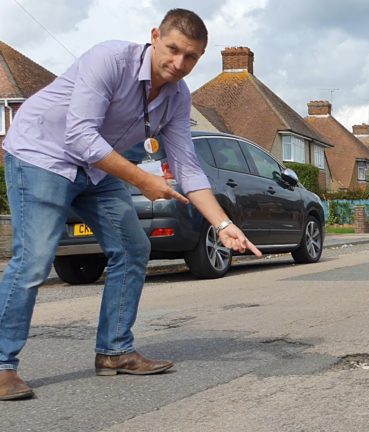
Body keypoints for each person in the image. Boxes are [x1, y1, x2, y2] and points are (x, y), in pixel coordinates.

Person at [0, 9, 262, 400]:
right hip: (43, 155)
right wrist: (143, 180)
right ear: (155, 36)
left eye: (190, 57)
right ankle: (3, 366)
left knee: (132, 247)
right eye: (173, 49)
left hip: (98, 170)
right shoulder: (109, 59)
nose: (179, 63)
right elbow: (79, 137)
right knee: (34, 258)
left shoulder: (177, 97)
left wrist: (224, 226)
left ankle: (114, 351)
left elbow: (188, 169)